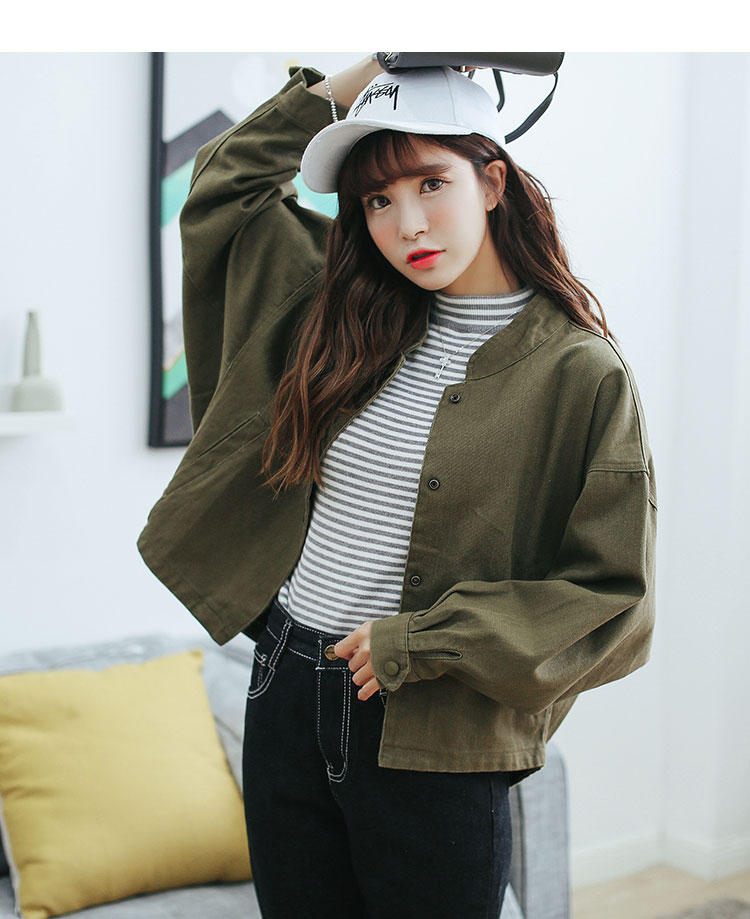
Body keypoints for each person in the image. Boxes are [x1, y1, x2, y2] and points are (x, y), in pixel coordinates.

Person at [137, 53, 657, 919]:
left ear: (492, 181)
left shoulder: (580, 375)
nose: (406, 222)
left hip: (431, 731)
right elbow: (223, 187)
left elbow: (614, 598)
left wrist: (421, 641)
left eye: (431, 183)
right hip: (283, 690)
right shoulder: (339, 310)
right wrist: (375, 66)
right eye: (377, 199)